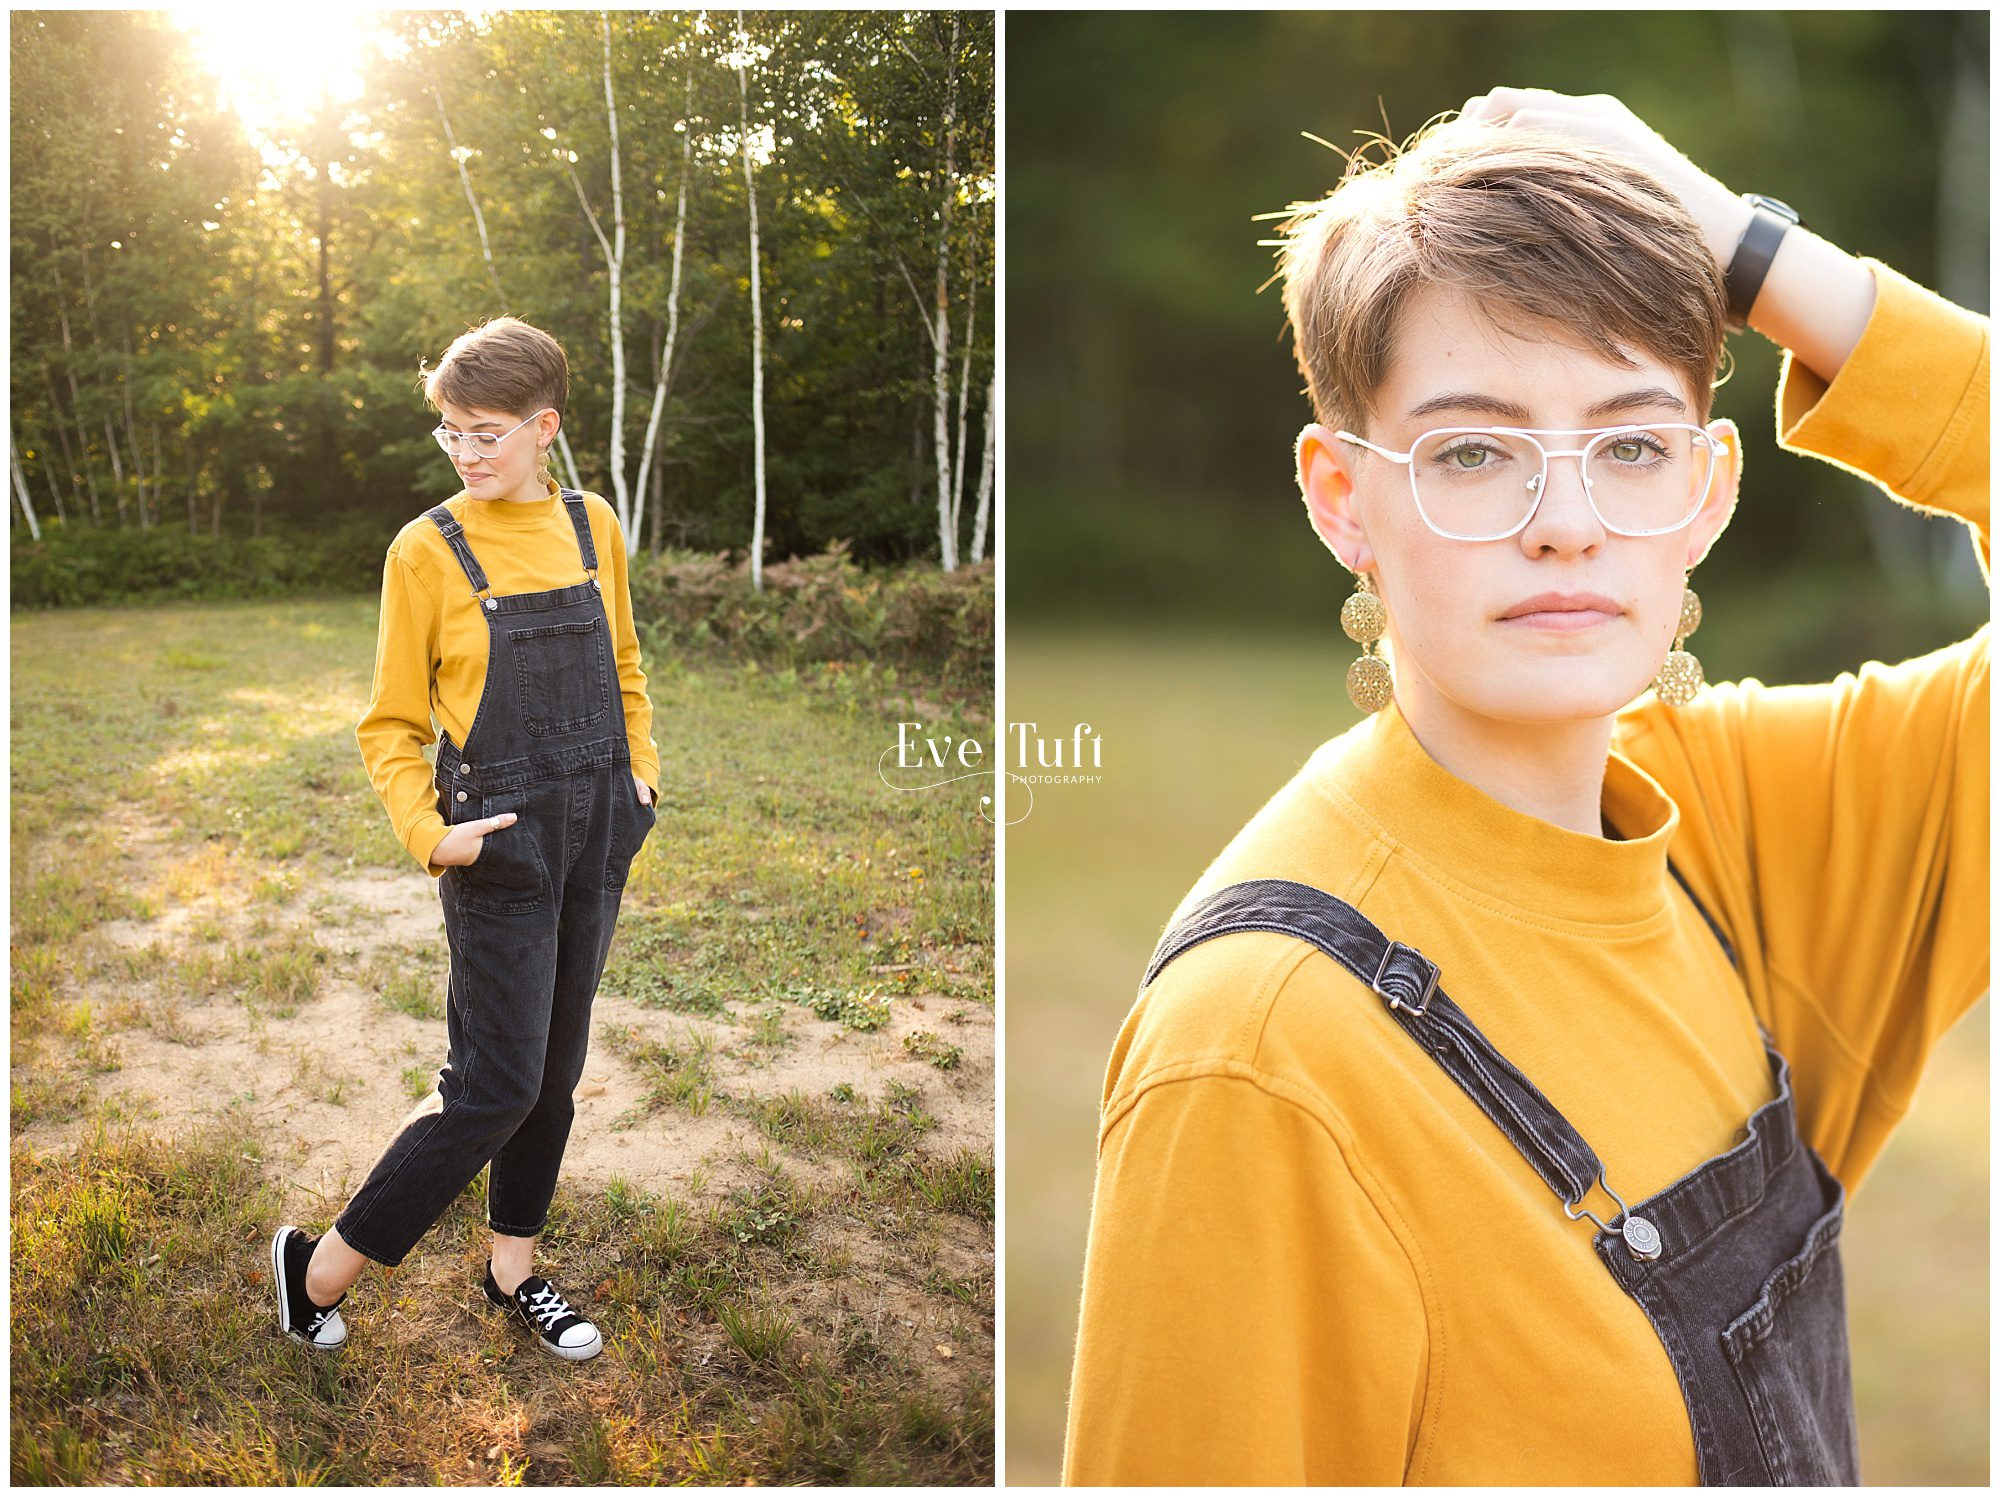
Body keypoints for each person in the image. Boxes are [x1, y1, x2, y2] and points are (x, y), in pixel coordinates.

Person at [1063, 89, 1987, 1483]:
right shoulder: (1258, 1052)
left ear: (1709, 490)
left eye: (1628, 442)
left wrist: (1749, 252)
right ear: (1342, 499)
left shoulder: (1745, 829)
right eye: (1475, 451)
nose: (1565, 526)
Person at [270, 316, 662, 1361]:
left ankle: (513, 1273)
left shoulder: (594, 528)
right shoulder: (425, 549)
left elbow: (624, 667)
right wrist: (429, 837)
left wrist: (640, 780)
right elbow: (390, 723)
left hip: (597, 829)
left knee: (556, 1072)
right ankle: (316, 1270)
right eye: (450, 432)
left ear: (544, 428)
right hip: (496, 840)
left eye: (485, 433)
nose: (466, 453)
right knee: (493, 1082)